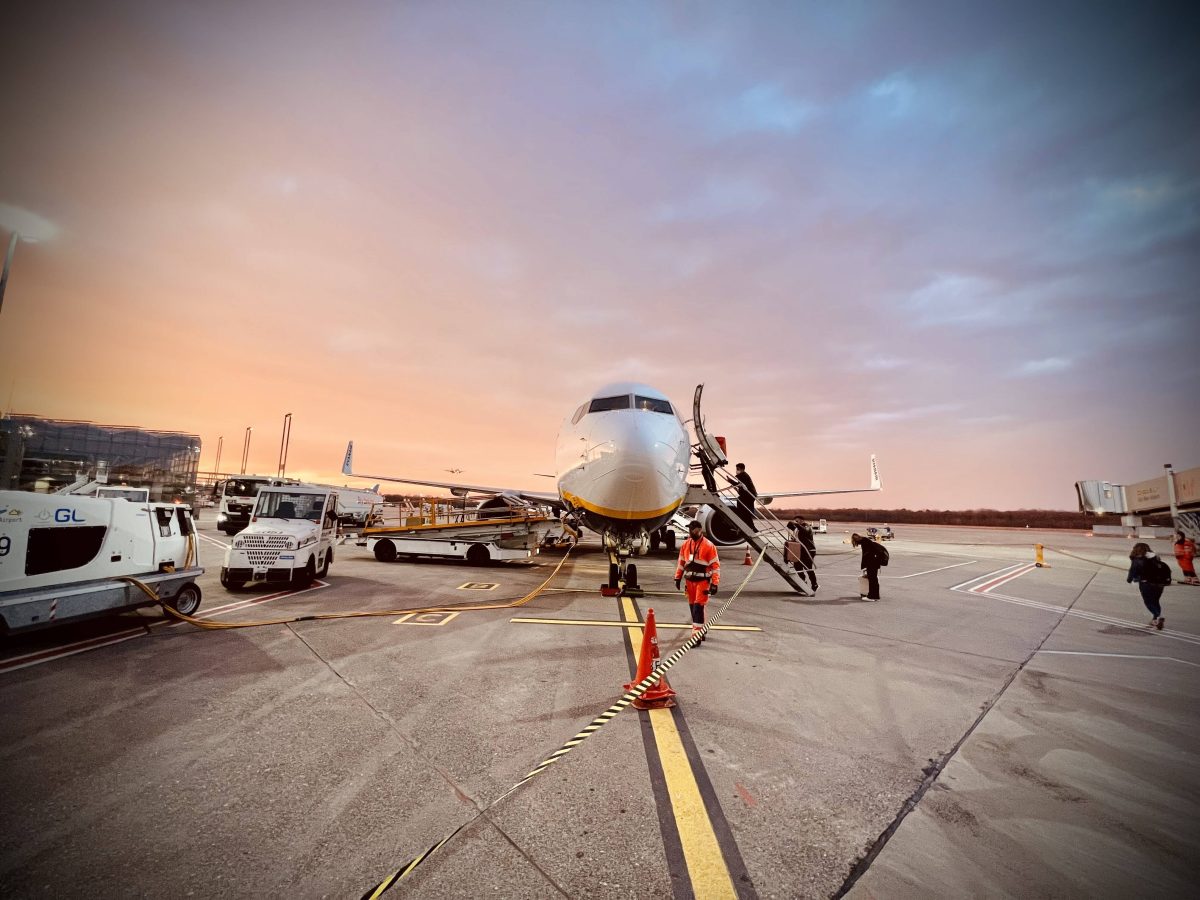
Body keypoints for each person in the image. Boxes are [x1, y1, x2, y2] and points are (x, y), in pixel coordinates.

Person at [675, 519, 721, 643]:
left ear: (699, 530)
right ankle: (701, 630)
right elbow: (681, 562)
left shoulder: (709, 546)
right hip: (689, 582)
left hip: (702, 582)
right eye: (689, 529)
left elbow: (715, 566)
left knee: (698, 608)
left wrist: (715, 584)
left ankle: (696, 637)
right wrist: (677, 577)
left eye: (693, 530)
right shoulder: (686, 544)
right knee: (693, 608)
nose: (690, 532)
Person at [1128, 542, 1171, 629]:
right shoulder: (1155, 557)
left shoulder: (1138, 559)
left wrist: (1129, 579)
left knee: (1148, 602)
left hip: (1146, 584)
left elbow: (1133, 571)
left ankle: (1159, 616)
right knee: (1155, 601)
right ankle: (1155, 619)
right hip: (1160, 584)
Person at [851, 532, 887, 601]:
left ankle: (871, 596)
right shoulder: (865, 540)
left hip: (872, 563)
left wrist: (866, 566)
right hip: (875, 562)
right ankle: (875, 596)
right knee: (874, 579)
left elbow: (866, 556)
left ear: (856, 539)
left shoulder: (865, 542)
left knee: (872, 580)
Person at [786, 516, 818, 591]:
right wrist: (791, 524)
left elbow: (805, 531)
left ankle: (814, 584)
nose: (796, 523)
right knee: (797, 566)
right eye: (795, 521)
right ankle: (803, 581)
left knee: (808, 567)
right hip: (801, 550)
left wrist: (796, 524)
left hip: (809, 550)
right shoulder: (798, 529)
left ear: (802, 520)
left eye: (797, 521)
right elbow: (790, 526)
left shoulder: (806, 526)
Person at [733, 463, 758, 532]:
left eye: (738, 469)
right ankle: (752, 527)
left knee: (742, 509)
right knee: (746, 512)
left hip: (748, 496)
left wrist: (730, 481)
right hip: (750, 495)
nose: (736, 471)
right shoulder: (744, 475)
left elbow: (739, 485)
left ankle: (744, 526)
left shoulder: (742, 475)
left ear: (742, 469)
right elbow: (742, 487)